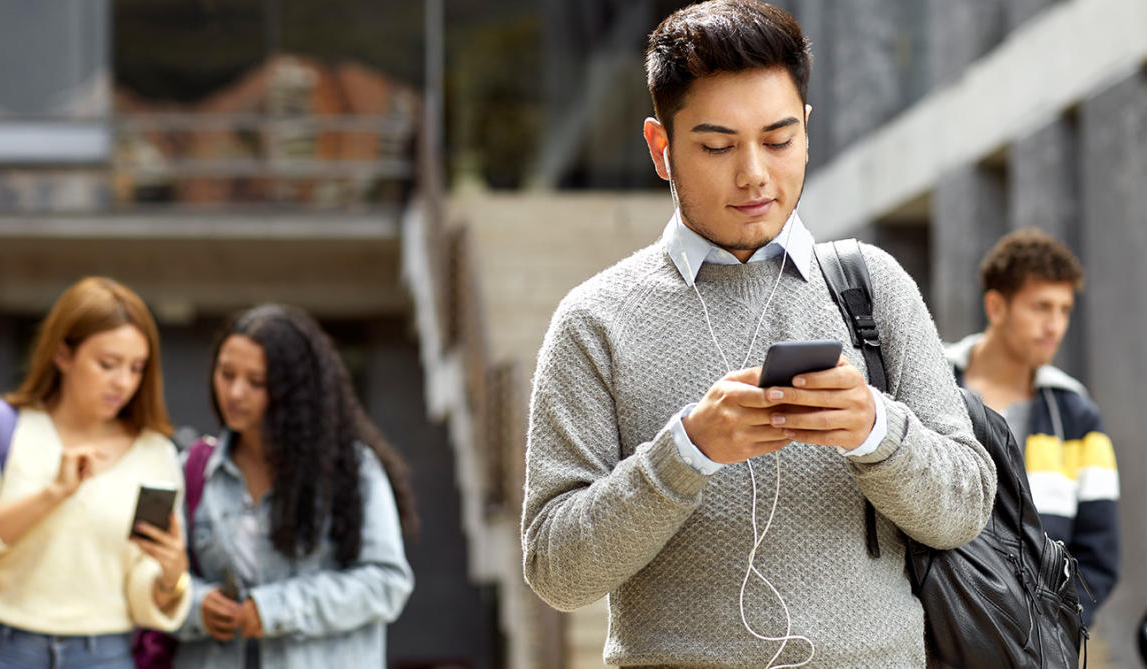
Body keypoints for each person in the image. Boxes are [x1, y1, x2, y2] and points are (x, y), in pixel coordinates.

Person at [520, 2, 996, 667]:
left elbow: (965, 506)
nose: (754, 174)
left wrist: (875, 429)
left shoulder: (874, 287)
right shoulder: (595, 322)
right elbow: (555, 568)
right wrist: (684, 453)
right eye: (717, 146)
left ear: (807, 130)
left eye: (778, 140)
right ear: (662, 148)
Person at [0, 276, 191, 668]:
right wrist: (52, 494)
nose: (124, 382)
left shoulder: (155, 452)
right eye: (107, 364)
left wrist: (171, 577)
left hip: (104, 654)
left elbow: (140, 588)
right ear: (62, 354)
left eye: (137, 368)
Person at [172, 304, 417, 668]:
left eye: (257, 382)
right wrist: (196, 605)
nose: (235, 393)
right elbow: (160, 583)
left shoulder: (351, 470)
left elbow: (386, 583)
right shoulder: (191, 469)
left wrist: (274, 609)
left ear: (294, 391)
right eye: (226, 374)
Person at [946, 228, 1118, 626]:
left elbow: (1099, 557)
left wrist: (1052, 631)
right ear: (996, 307)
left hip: (1034, 645)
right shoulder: (932, 384)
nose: (1055, 325)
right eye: (1041, 307)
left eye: (1064, 309)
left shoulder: (1077, 414)